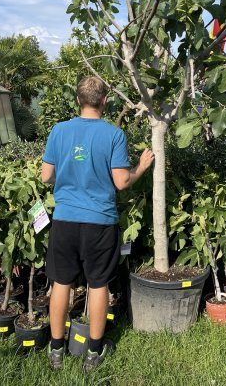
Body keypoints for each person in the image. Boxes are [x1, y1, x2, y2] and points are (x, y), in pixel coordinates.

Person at [40, 76, 155, 372]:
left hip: (65, 221)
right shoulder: (114, 135)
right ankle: (93, 353)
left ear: (78, 100)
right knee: (98, 284)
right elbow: (121, 181)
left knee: (61, 283)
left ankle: (56, 350)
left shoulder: (59, 131)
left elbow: (45, 176)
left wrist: (66, 177)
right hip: (100, 223)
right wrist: (141, 167)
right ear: (104, 101)